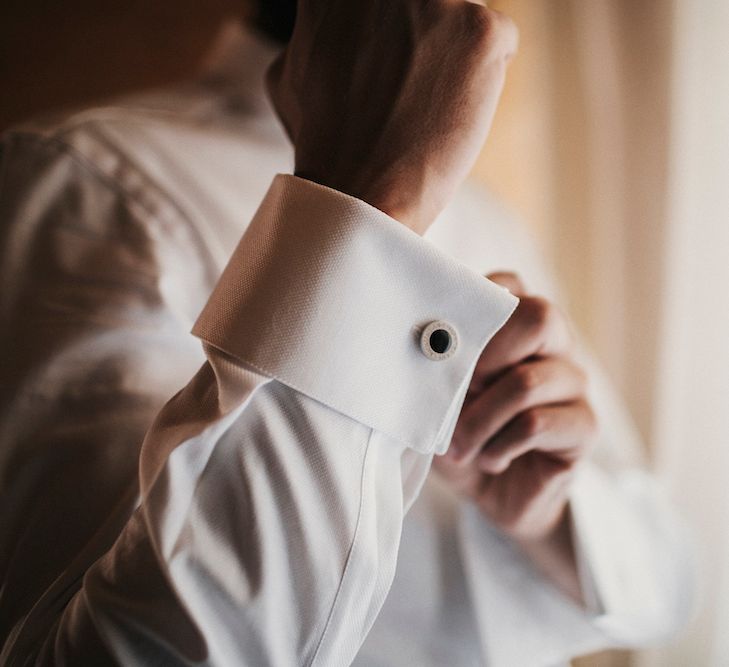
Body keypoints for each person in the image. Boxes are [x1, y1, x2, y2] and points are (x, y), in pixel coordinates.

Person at [0, 1, 692, 665]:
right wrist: (373, 207)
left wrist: (545, 517)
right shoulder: (85, 180)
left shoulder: (488, 217)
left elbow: (671, 585)